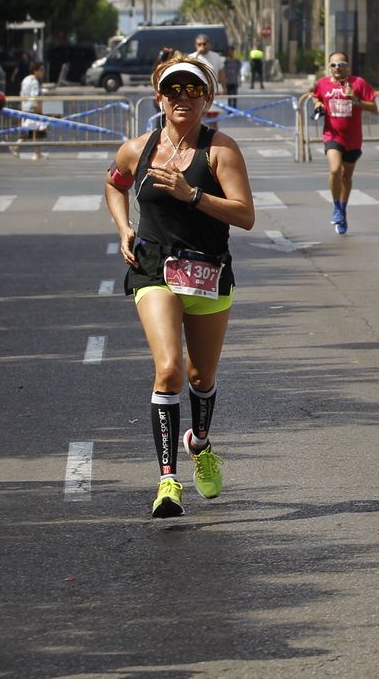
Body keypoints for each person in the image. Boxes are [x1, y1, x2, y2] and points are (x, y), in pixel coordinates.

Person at [105, 55, 256, 520]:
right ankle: (168, 481)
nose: (182, 99)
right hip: (154, 271)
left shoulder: (220, 150)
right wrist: (123, 227)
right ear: (159, 98)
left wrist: (192, 195)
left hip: (208, 273)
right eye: (173, 91)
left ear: (207, 99)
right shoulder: (138, 148)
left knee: (200, 378)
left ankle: (201, 442)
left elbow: (245, 215)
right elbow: (114, 184)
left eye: (193, 91)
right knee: (169, 369)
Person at [310, 52, 377, 235]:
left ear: (348, 66)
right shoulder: (323, 83)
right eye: (333, 65)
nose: (337, 68)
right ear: (329, 67)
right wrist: (318, 105)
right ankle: (336, 207)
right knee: (335, 170)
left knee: (346, 177)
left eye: (341, 64)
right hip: (332, 135)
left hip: (353, 139)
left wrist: (355, 99)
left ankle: (343, 209)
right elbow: (316, 97)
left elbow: (374, 107)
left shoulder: (358, 83)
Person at [20, 61, 46, 159]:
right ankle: (36, 153)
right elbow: (34, 97)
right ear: (35, 71)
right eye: (41, 70)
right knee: (36, 132)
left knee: (30, 131)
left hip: (25, 108)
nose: (43, 72)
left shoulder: (25, 79)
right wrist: (39, 109)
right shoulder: (35, 82)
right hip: (32, 109)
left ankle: (37, 153)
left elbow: (21, 94)